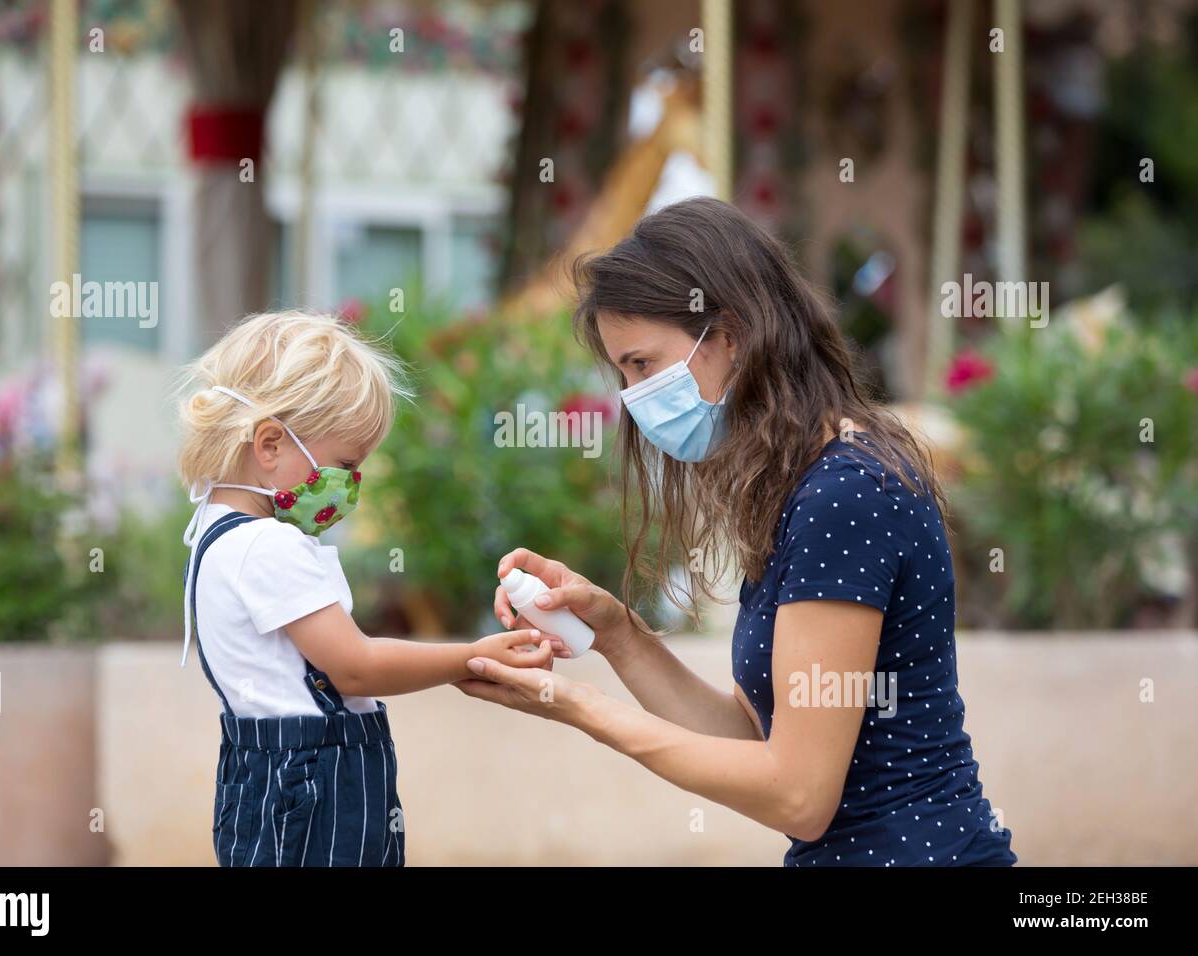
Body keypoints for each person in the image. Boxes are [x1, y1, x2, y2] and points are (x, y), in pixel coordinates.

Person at [459, 198, 1017, 866]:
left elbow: (800, 795)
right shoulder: (803, 484)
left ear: (732, 335)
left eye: (642, 363)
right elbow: (759, 745)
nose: (634, 396)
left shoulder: (844, 494)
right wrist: (617, 634)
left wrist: (578, 708)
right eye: (622, 373)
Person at [176, 310, 558, 867]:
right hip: (312, 792)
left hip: (265, 783)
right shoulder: (268, 547)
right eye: (346, 464)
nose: (351, 485)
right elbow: (354, 667)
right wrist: (470, 659)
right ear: (270, 445)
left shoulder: (213, 535)